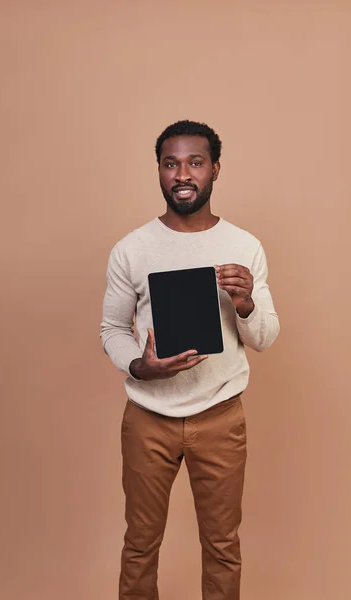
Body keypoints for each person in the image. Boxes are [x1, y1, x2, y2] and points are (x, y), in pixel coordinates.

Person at [100, 120, 280, 600]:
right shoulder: (131, 249)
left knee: (222, 545)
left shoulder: (245, 246)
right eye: (170, 163)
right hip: (148, 418)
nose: (183, 174)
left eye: (195, 163)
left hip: (221, 416)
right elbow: (113, 330)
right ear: (158, 171)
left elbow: (264, 338)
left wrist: (245, 304)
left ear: (215, 170)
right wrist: (141, 366)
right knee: (140, 544)